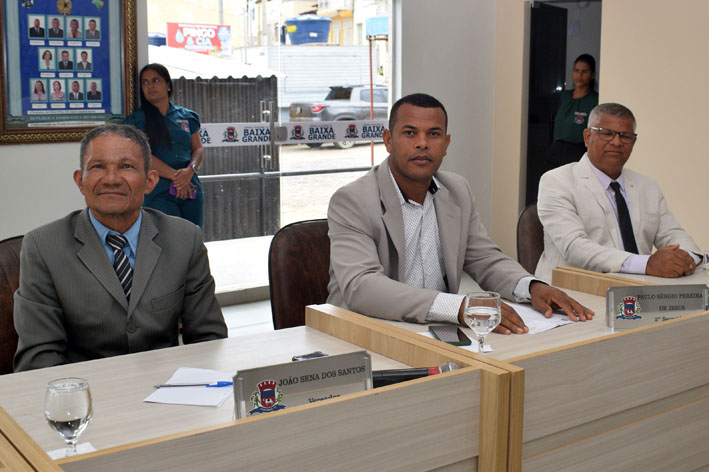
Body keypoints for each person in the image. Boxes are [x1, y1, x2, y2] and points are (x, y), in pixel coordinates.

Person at [327, 93, 594, 333]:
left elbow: (485, 258)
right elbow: (362, 286)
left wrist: (532, 287)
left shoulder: (457, 190)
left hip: (438, 331)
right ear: (388, 140)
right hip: (365, 334)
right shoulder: (353, 200)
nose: (422, 143)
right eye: (410, 133)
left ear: (446, 143)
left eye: (434, 134)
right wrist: (457, 307)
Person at [13, 124, 227, 372]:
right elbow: (38, 359)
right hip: (85, 390)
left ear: (150, 181)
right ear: (80, 181)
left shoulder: (185, 238)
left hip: (167, 385)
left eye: (126, 166)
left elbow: (209, 340)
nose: (111, 179)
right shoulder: (43, 247)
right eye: (97, 166)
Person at [535, 103, 701, 281]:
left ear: (633, 142)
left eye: (625, 136)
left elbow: (673, 234)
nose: (616, 142)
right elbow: (574, 247)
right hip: (574, 290)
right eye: (606, 133)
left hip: (639, 290)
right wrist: (646, 264)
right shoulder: (557, 181)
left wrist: (687, 258)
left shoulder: (648, 186)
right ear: (587, 137)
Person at [124, 64, 205, 227]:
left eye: (155, 80)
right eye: (145, 82)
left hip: (190, 186)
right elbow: (142, 156)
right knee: (169, 238)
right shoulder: (136, 121)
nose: (150, 86)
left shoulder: (187, 116)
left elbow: (198, 149)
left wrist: (190, 170)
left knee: (194, 236)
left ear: (168, 85)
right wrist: (177, 177)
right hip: (158, 190)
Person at [530, 54, 599, 202]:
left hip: (578, 152)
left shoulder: (595, 99)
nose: (579, 75)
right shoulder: (565, 96)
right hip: (556, 150)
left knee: (572, 195)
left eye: (584, 71)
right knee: (551, 192)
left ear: (592, 75)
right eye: (576, 70)